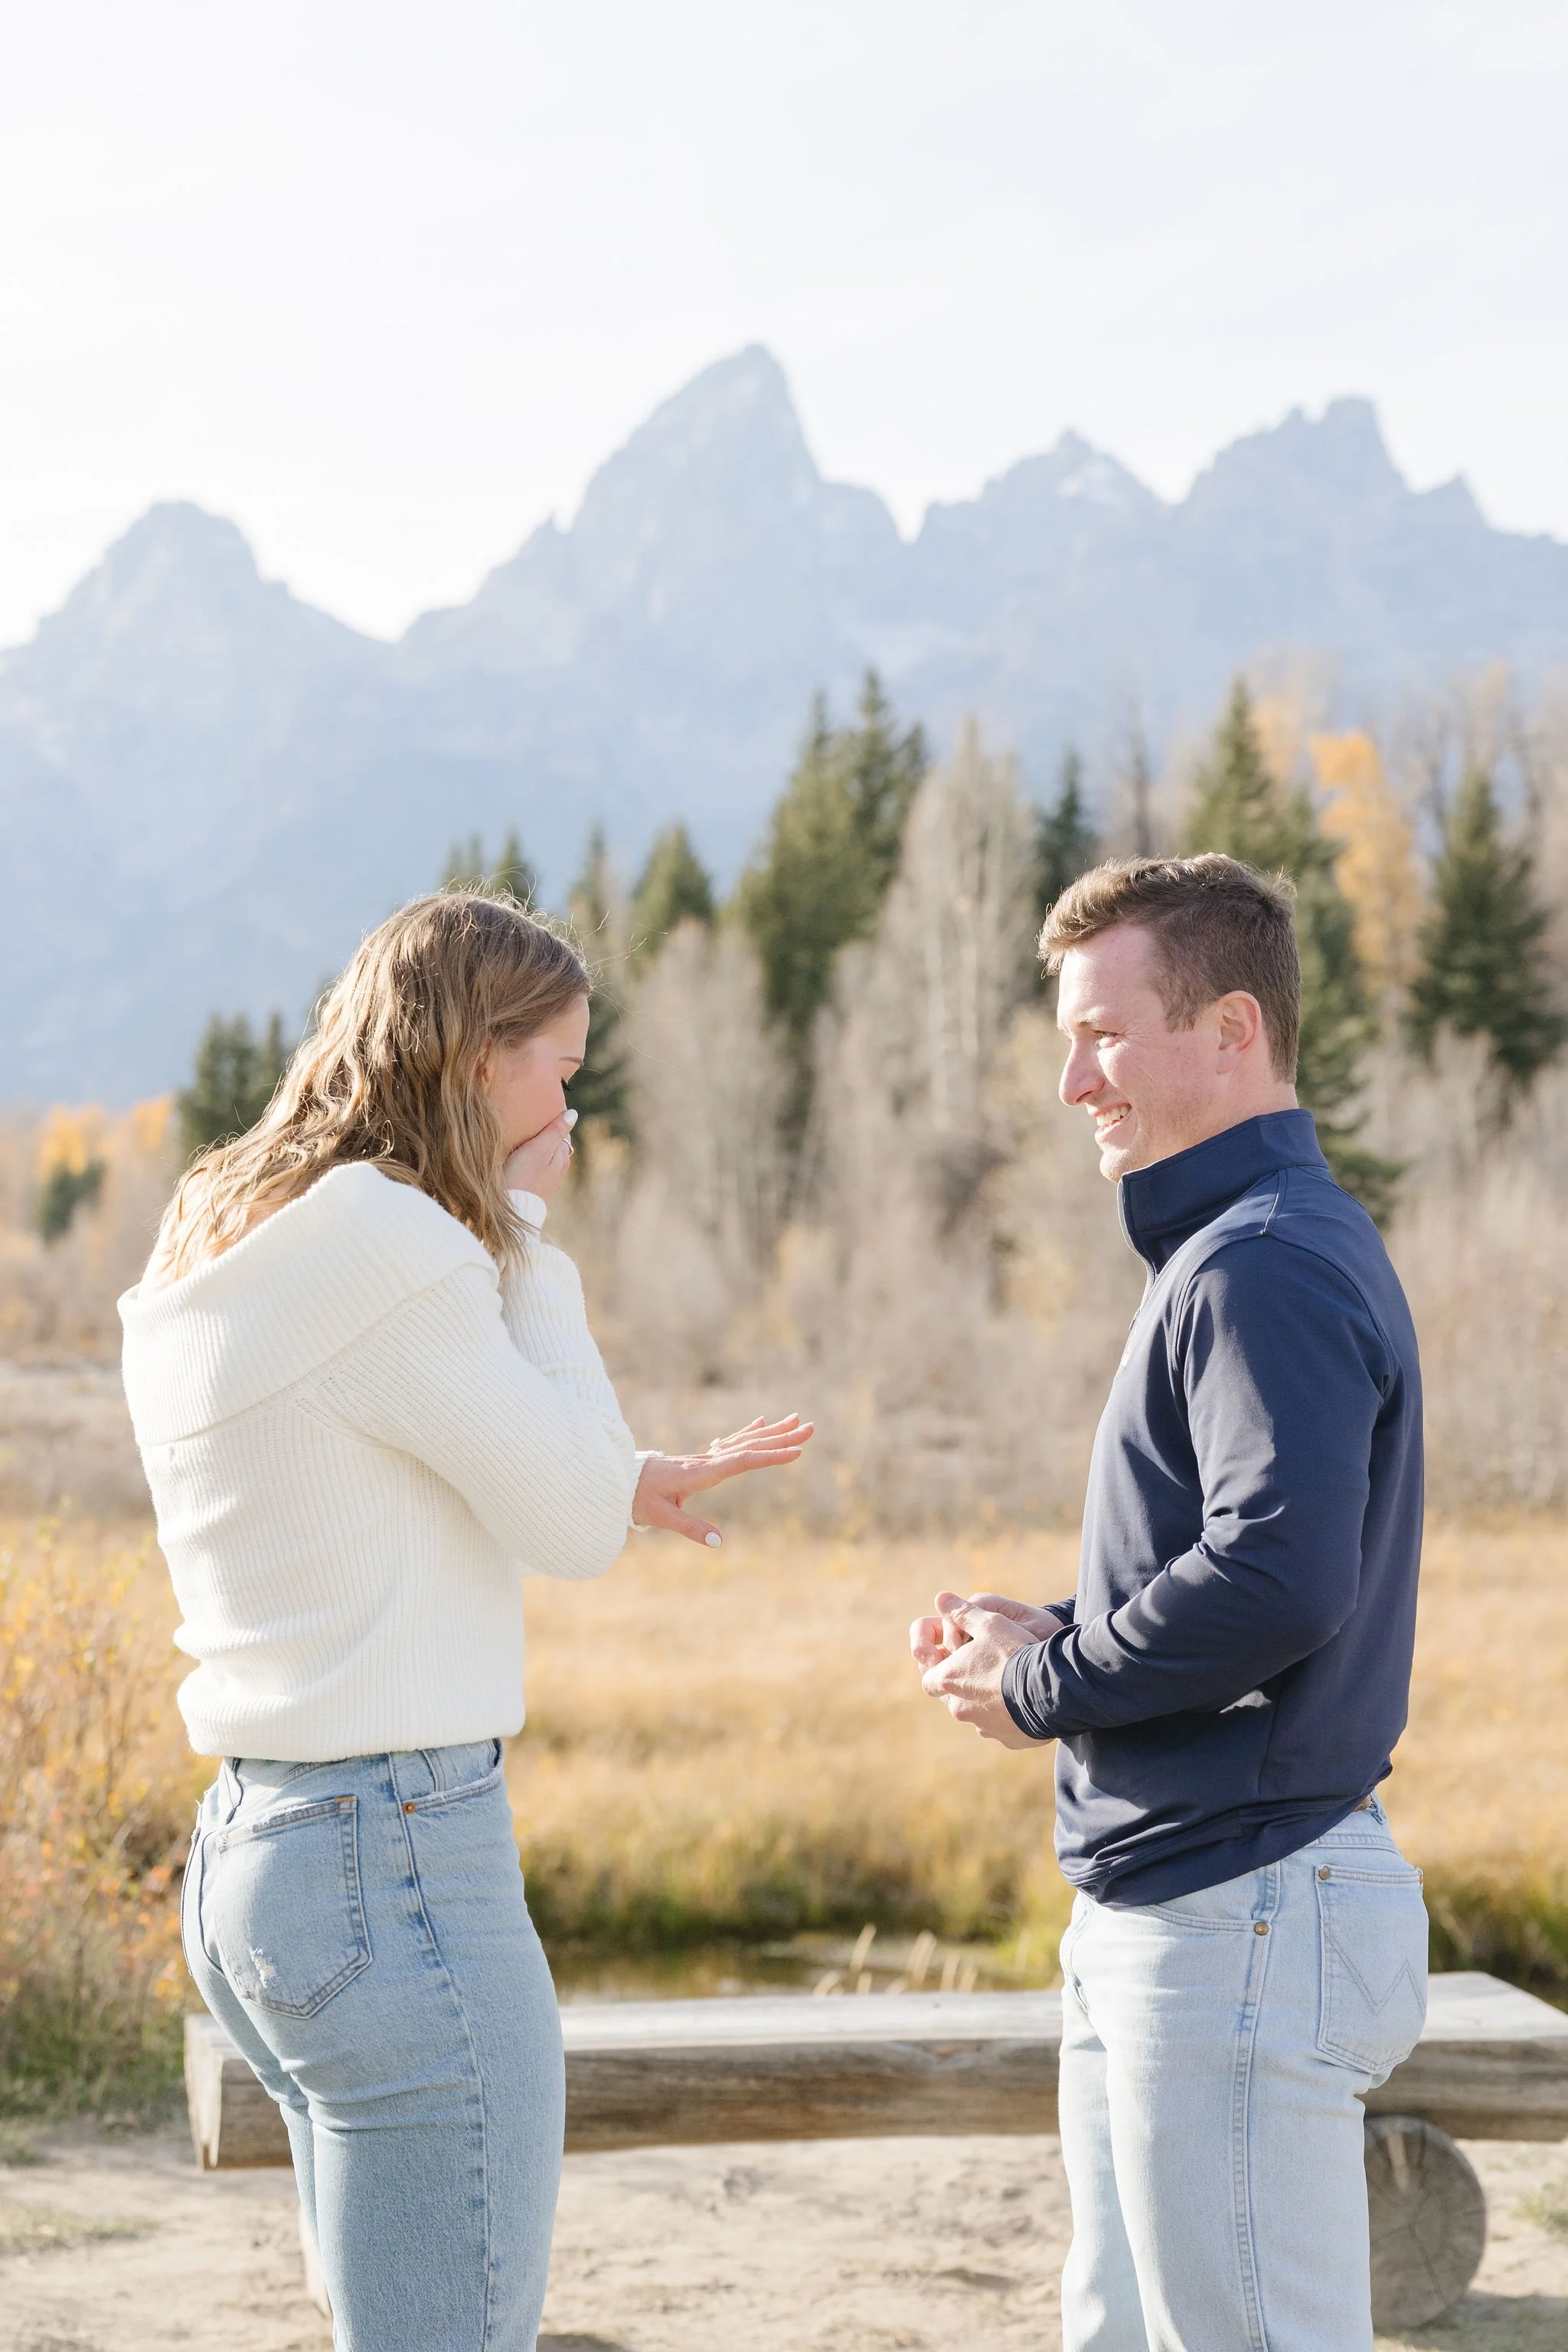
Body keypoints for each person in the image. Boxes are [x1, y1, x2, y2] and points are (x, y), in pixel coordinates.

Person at [121, 891, 811, 2352]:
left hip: (258, 1850)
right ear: (478, 1055)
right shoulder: (396, 1240)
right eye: (559, 1063)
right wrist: (530, 1241)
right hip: (399, 1856)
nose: (571, 1096)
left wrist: (613, 1475)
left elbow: (383, 1462)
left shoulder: (225, 1224)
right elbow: (560, 1527)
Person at [912, 854, 1426, 2352]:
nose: (1073, 1078)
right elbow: (1239, 1565)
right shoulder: (1235, 1251)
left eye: (1104, 1033)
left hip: (1242, 1914)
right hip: (1189, 1909)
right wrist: (1056, 1638)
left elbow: (1275, 1577)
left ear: (1233, 1033)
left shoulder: (1261, 1262)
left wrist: (1041, 1692)